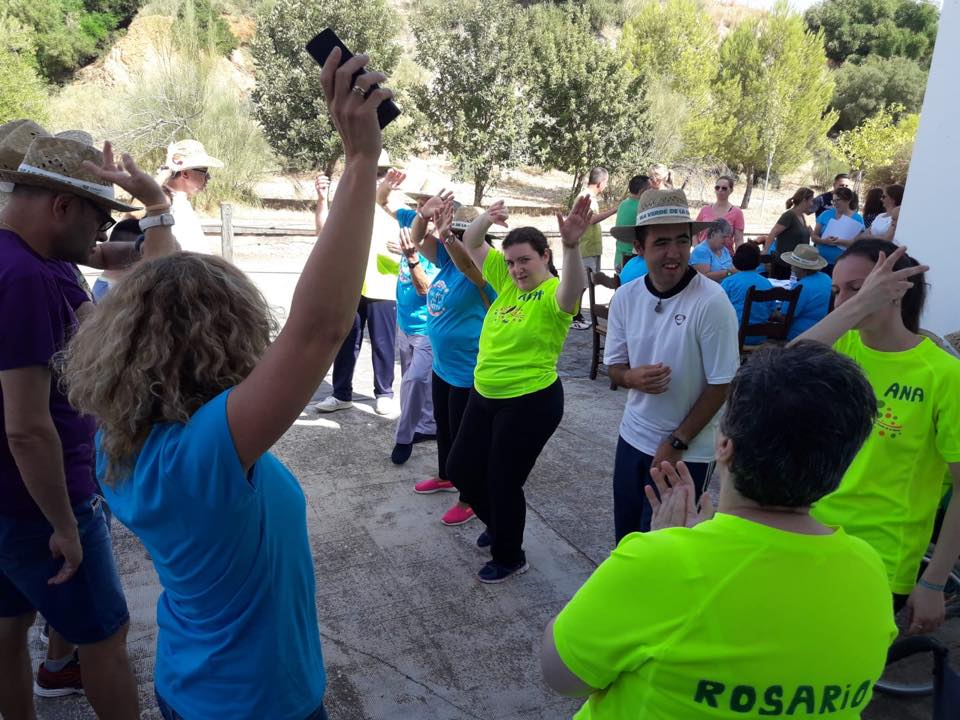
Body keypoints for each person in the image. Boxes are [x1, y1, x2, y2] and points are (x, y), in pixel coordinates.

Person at [61, 50, 389, 719]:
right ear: (229, 335)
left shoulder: (119, 446)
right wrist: (360, 163)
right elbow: (318, 329)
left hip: (190, 684)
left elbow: (164, 299)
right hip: (260, 703)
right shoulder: (209, 450)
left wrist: (156, 203)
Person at [541, 342, 896, 718]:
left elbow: (561, 675)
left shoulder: (662, 562)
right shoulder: (870, 569)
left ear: (724, 445)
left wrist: (665, 548)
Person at [0, 119, 177, 720]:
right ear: (60, 206)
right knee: (105, 640)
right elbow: (25, 426)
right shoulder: (24, 278)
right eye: (97, 218)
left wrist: (158, 216)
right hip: (41, 506)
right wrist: (65, 525)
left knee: (6, 634)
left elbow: (122, 259)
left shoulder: (30, 257)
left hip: (8, 501)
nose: (102, 234)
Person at [797, 241, 960, 636]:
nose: (842, 301)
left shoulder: (942, 375)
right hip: (805, 536)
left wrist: (934, 580)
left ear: (896, 289)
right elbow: (781, 372)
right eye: (837, 291)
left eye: (856, 288)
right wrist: (853, 306)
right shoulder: (841, 348)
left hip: (880, 560)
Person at [447, 198, 592, 583]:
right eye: (511, 262)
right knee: (461, 468)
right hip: (485, 395)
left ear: (545, 257)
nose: (516, 269)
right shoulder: (505, 283)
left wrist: (573, 246)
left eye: (524, 260)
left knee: (502, 479)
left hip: (531, 401)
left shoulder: (554, 294)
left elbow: (574, 289)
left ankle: (509, 555)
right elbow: (474, 240)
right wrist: (487, 217)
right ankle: (499, 524)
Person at [606, 189, 740, 540]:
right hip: (633, 436)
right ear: (639, 247)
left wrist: (676, 442)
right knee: (627, 534)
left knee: (667, 545)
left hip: (689, 451)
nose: (673, 253)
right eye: (661, 242)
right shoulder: (626, 296)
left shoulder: (711, 302)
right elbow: (614, 368)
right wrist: (631, 377)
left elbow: (722, 383)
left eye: (681, 240)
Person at [411, 202, 500, 526]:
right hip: (443, 366)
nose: (457, 239)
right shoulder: (447, 262)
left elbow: (467, 266)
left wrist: (448, 236)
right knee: (445, 427)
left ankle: (470, 497)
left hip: (467, 370)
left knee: (468, 439)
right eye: (456, 232)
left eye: (464, 233)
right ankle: (446, 475)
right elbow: (418, 239)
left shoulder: (485, 269)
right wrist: (424, 215)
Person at [312, 163, 404, 418]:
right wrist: (322, 199)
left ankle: (384, 394)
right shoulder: (350, 201)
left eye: (381, 172)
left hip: (384, 285)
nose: (376, 177)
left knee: (383, 344)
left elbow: (418, 241)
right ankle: (341, 394)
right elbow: (322, 231)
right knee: (345, 341)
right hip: (351, 285)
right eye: (371, 171)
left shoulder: (395, 207)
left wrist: (407, 249)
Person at [389, 223, 440, 465]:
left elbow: (425, 290)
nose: (422, 217)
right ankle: (428, 426)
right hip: (405, 324)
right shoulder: (410, 236)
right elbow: (384, 198)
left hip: (427, 329)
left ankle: (404, 437)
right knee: (414, 380)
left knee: (415, 380)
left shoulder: (438, 252)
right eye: (419, 208)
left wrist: (411, 257)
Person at [157, 139, 223, 255]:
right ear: (185, 173)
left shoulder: (179, 201)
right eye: (204, 170)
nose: (208, 177)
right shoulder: (166, 203)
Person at [571, 167, 618, 331]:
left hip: (591, 248)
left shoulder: (590, 197)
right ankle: (574, 317)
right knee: (581, 284)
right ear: (601, 182)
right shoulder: (586, 197)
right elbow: (591, 220)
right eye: (606, 182)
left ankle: (577, 315)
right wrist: (614, 210)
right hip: (584, 248)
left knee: (586, 284)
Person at [721, 243, 773, 345]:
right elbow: (771, 310)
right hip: (760, 336)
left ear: (736, 260)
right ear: (758, 261)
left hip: (735, 336)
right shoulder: (767, 283)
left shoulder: (729, 282)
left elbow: (718, 309)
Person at [779, 245, 833, 341]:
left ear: (801, 268)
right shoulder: (826, 278)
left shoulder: (802, 286)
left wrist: (772, 312)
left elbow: (785, 317)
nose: (791, 267)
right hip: (822, 330)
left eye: (793, 264)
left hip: (799, 335)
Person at [812, 186, 864, 273]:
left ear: (848, 200)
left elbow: (857, 244)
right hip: (820, 262)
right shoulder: (825, 214)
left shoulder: (857, 219)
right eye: (833, 201)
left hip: (842, 264)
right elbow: (814, 237)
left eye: (838, 200)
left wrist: (839, 242)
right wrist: (824, 241)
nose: (835, 203)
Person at [766, 187, 814, 280]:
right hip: (783, 264)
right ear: (804, 200)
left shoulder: (804, 217)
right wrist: (765, 252)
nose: (812, 204)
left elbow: (813, 235)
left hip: (798, 265)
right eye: (811, 200)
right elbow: (773, 232)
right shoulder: (789, 215)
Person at [694, 175, 744, 249]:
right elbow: (694, 233)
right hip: (703, 257)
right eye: (717, 187)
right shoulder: (704, 210)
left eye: (724, 188)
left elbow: (739, 240)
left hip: (725, 258)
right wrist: (697, 249)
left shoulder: (737, 212)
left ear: (731, 190)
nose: (720, 190)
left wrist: (739, 258)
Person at [613, 175, 650, 271]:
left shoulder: (623, 204)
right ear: (643, 191)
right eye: (650, 190)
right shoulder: (643, 207)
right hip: (632, 259)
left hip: (619, 257)